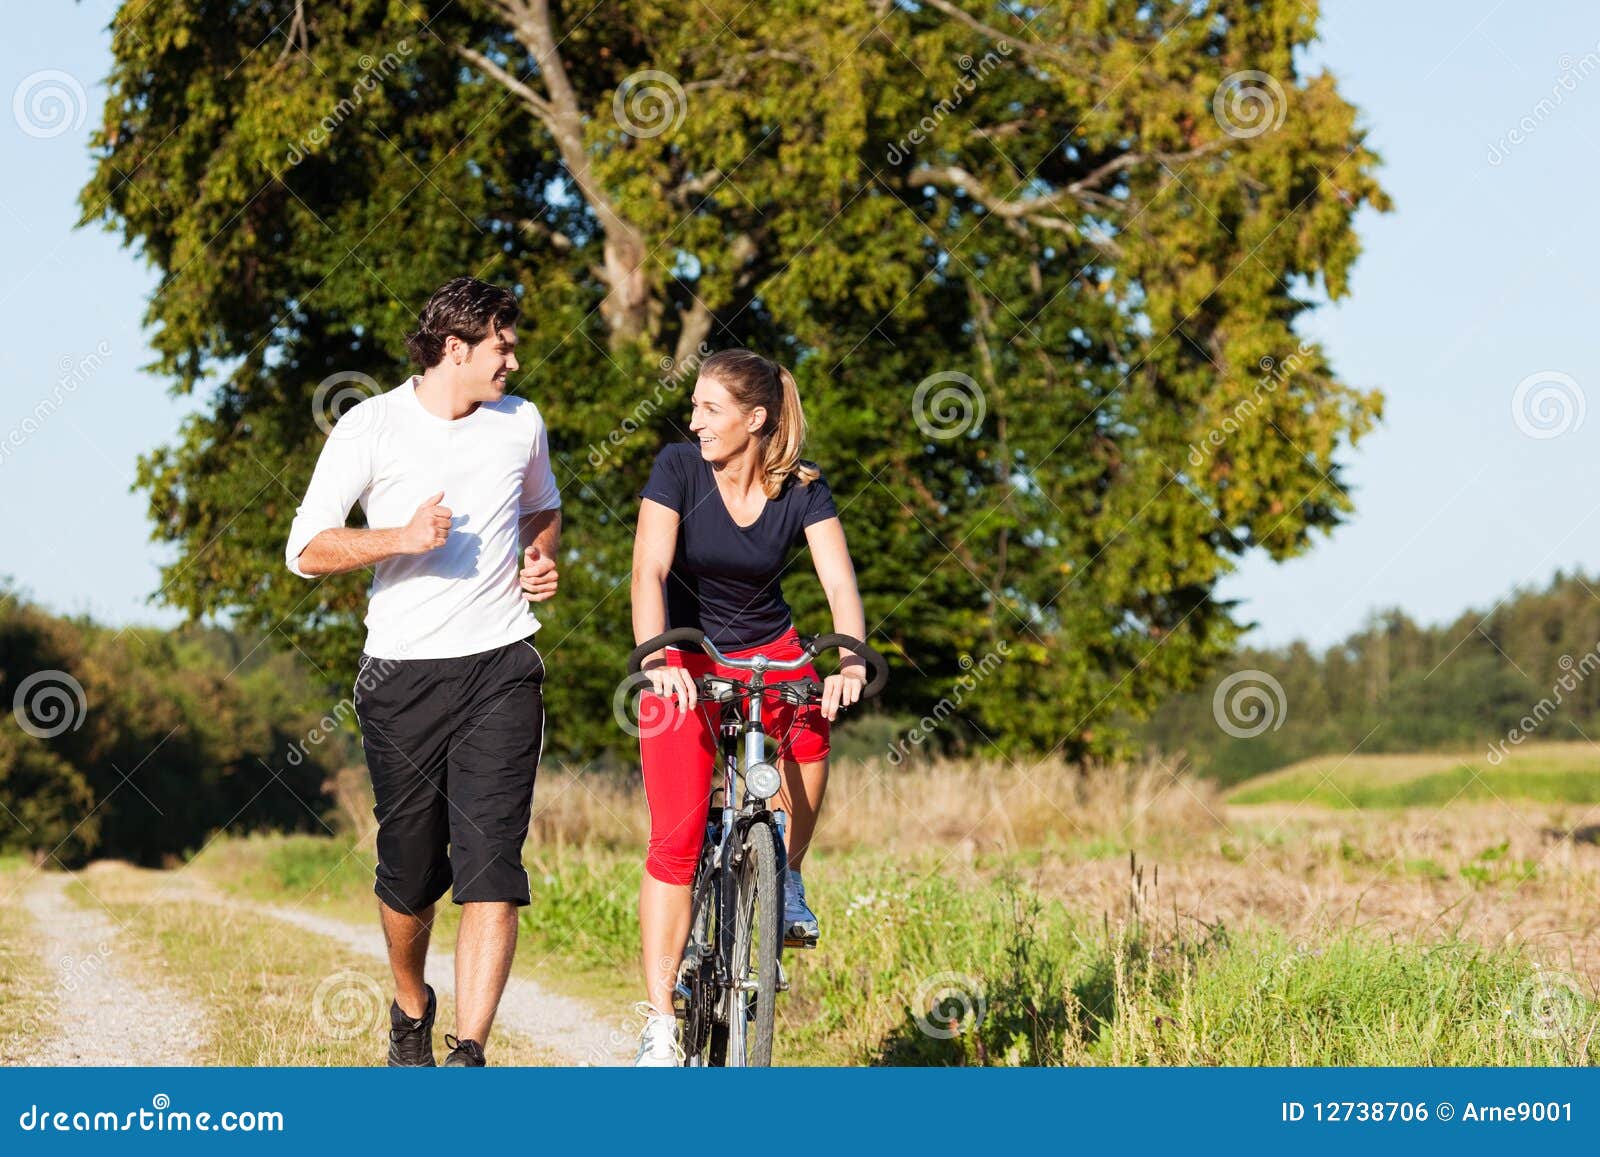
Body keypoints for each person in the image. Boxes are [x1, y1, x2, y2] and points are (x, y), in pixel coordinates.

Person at [283, 277, 561, 1067]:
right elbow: (306, 549)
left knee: (492, 867)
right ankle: (412, 1003)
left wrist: (542, 556)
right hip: (400, 676)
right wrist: (397, 538)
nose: (513, 357)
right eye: (501, 344)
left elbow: (543, 506)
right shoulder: (372, 426)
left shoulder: (522, 423)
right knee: (409, 870)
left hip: (502, 665)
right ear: (455, 348)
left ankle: (469, 1053)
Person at [628, 349, 869, 1066]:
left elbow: (838, 580)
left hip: (769, 648)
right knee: (674, 839)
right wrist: (656, 658)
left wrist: (849, 658)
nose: (694, 420)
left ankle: (783, 871)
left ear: (755, 419)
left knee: (813, 737)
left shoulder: (802, 488)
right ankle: (662, 1023)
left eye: (711, 408)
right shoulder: (677, 467)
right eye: (695, 407)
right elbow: (650, 569)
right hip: (686, 651)